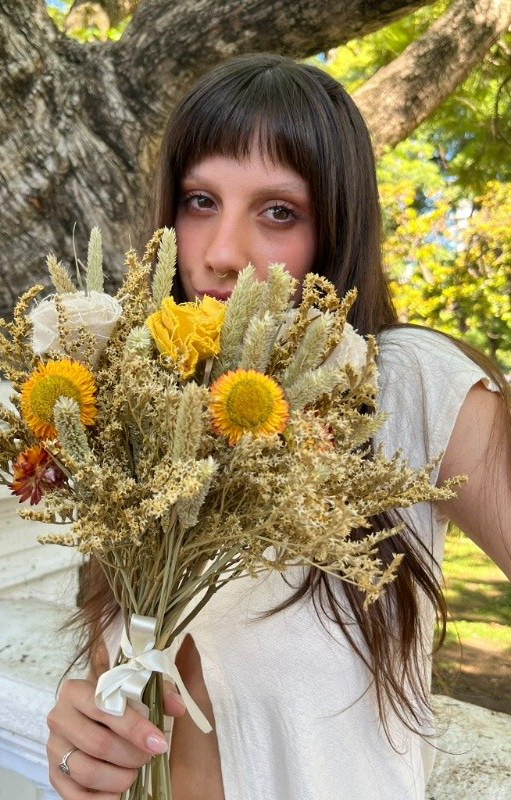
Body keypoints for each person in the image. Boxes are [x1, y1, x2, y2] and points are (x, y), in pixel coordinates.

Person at [46, 54, 511, 800]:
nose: (221, 254)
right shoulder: (137, 414)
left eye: (278, 212)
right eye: (200, 201)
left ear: (336, 230)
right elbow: (125, 689)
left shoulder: (404, 385)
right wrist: (84, 749)